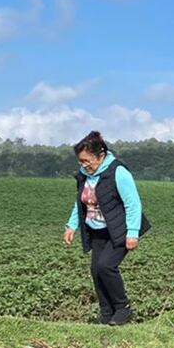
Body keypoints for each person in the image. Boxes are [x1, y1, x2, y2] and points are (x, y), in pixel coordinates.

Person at [63, 131, 151, 326]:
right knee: (96, 270)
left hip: (119, 230)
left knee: (106, 266)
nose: (83, 165)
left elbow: (133, 204)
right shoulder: (84, 176)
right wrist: (71, 226)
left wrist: (133, 233)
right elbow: (81, 203)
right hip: (97, 231)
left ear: (100, 155)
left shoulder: (117, 172)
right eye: (80, 161)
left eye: (86, 161)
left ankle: (123, 308)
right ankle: (106, 313)